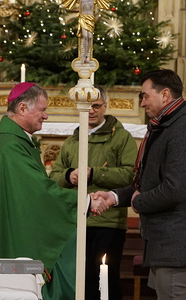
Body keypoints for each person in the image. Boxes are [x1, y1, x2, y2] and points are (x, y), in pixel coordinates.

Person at [0, 82, 109, 300]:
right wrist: (86, 201)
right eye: (42, 110)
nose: (46, 116)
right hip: (16, 235)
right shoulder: (10, 145)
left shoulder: (14, 140)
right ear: (23, 109)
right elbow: (38, 193)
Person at [93, 69, 186, 300]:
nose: (142, 103)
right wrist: (114, 197)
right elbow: (148, 181)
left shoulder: (180, 128)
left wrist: (139, 201)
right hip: (164, 245)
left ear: (164, 95)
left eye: (145, 96)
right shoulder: (166, 124)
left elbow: (174, 189)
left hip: (176, 248)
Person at [49, 85, 138, 300]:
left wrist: (94, 173)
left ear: (105, 107)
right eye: (87, 106)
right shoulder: (72, 141)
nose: (91, 111)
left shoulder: (122, 138)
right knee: (78, 279)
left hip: (107, 222)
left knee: (105, 280)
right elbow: (54, 177)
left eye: (96, 106)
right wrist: (70, 175)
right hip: (76, 221)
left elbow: (132, 175)